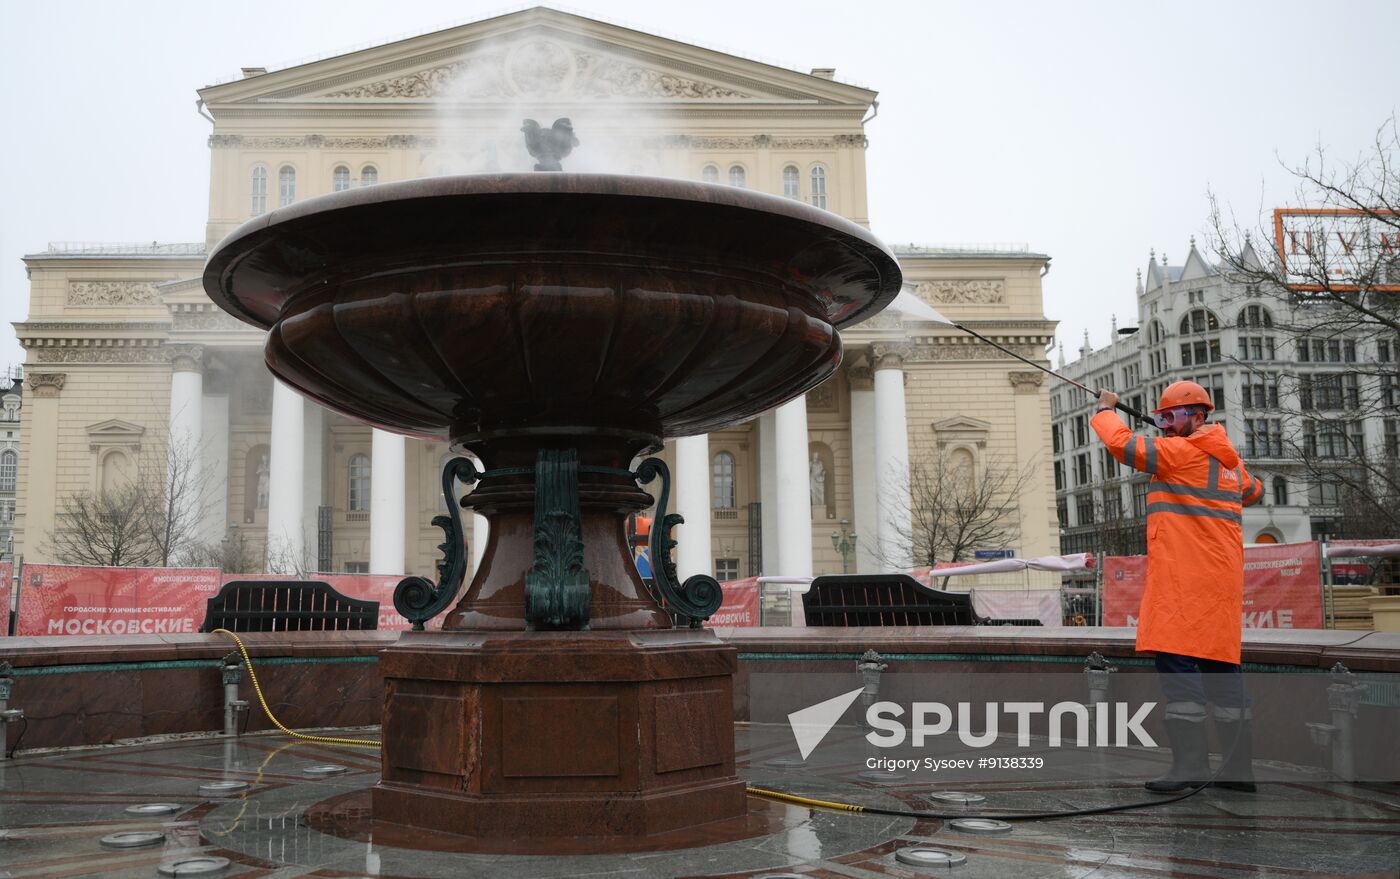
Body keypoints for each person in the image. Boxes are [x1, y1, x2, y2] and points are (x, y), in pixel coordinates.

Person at [1093, 381, 1263, 793]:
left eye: (1172, 417)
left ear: (1198, 416)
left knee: (1179, 672)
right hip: (1220, 582)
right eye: (1162, 418)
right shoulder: (1228, 462)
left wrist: (1105, 409)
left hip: (1185, 581)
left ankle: (1189, 768)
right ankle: (1239, 774)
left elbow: (1123, 446)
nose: (1166, 425)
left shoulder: (1180, 454)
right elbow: (1253, 490)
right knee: (1222, 669)